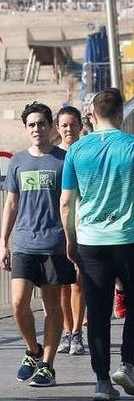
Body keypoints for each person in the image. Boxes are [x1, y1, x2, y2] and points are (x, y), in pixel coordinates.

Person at [60, 88, 134, 400]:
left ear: (92, 115)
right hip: (129, 239)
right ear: (121, 113)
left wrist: (71, 240)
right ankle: (128, 363)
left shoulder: (77, 151)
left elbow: (66, 203)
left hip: (91, 242)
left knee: (98, 309)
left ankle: (102, 382)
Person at [1, 103, 75, 387]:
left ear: (51, 127)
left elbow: (72, 203)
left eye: (41, 123)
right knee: (18, 303)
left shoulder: (63, 159)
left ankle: (47, 364)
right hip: (24, 243)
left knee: (52, 306)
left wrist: (73, 240)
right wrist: (2, 242)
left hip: (54, 244)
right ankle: (32, 349)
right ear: (26, 128)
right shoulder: (18, 161)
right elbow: (11, 204)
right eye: (31, 124)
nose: (37, 129)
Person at [55, 106, 86, 357]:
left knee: (78, 283)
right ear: (58, 128)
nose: (68, 129)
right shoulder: (54, 157)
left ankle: (77, 332)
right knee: (62, 286)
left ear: (80, 126)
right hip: (57, 228)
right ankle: (66, 330)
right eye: (64, 125)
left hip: (82, 226)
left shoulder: (86, 152)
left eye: (72, 124)